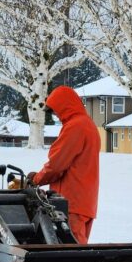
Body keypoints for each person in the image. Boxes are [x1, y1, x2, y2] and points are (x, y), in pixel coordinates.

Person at [27, 86, 100, 244]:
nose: (57, 115)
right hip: (85, 200)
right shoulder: (88, 125)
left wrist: (36, 179)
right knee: (78, 247)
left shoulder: (75, 127)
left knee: (70, 251)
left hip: (70, 201)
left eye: (56, 110)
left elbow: (57, 164)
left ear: (64, 106)